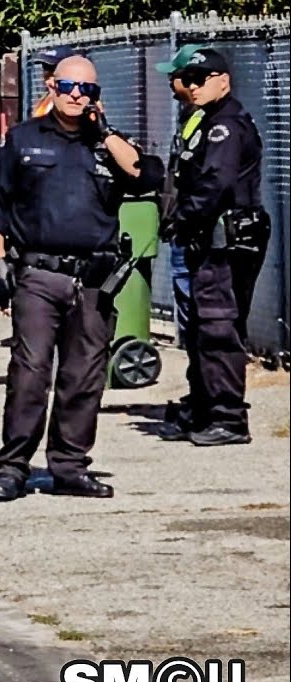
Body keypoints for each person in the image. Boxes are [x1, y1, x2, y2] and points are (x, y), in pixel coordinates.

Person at [0, 55, 163, 502]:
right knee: (31, 371)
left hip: (94, 280)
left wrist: (106, 133)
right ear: (52, 88)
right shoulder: (23, 140)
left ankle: (69, 467)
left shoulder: (108, 146)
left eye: (87, 90)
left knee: (83, 376)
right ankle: (13, 467)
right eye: (68, 87)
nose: (77, 95)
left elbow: (147, 175)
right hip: (39, 275)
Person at [160, 48, 269, 447]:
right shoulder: (203, 119)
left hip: (227, 240)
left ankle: (228, 417)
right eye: (187, 78)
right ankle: (204, 407)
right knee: (203, 325)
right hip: (208, 238)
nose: (191, 86)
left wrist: (182, 215)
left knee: (219, 325)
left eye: (199, 78)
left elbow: (216, 183)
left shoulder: (226, 125)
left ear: (223, 80)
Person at [156, 44, 207, 350]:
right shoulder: (188, 118)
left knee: (194, 300)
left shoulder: (206, 120)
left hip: (192, 230)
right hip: (180, 226)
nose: (171, 85)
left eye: (174, 77)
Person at [30, 46, 79, 118]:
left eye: (53, 69)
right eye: (45, 67)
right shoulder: (47, 98)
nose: (47, 73)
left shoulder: (75, 101)